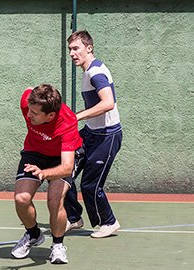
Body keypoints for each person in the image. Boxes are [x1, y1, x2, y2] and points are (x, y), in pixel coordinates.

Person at [11, 84, 82, 264]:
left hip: (61, 157)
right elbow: (28, 89)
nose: (29, 115)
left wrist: (43, 173)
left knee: (55, 199)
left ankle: (58, 245)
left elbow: (67, 167)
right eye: (30, 111)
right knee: (21, 199)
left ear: (50, 115)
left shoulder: (68, 122)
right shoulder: (28, 103)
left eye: (35, 114)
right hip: (34, 153)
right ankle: (34, 234)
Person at [64, 30, 122, 238]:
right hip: (90, 133)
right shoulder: (88, 71)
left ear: (89, 48)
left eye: (76, 48)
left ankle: (109, 222)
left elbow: (108, 103)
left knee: (90, 184)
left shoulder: (95, 72)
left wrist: (76, 117)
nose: (72, 53)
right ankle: (73, 218)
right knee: (64, 172)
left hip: (107, 136)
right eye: (70, 49)